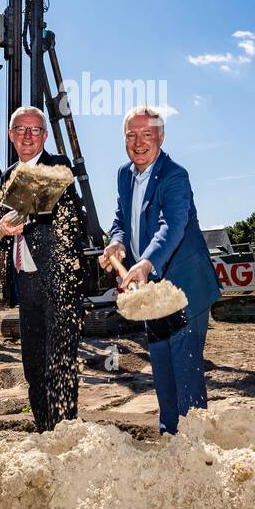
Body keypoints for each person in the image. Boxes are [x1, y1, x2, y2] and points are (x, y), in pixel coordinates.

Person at [101, 106, 220, 435]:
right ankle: (170, 437)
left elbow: (173, 226)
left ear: (161, 137)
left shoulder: (174, 175)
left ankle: (197, 447)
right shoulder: (125, 175)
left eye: (147, 135)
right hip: (150, 290)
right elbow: (120, 220)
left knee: (185, 367)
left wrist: (147, 262)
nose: (139, 143)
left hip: (184, 290)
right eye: (131, 135)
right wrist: (117, 243)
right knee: (162, 366)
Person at [0, 106, 82, 432]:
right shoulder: (8, 177)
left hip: (59, 280)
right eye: (20, 129)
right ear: (10, 135)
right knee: (34, 367)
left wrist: (21, 220)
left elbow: (47, 204)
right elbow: (9, 232)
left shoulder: (58, 165)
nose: (28, 136)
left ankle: (67, 435)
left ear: (45, 136)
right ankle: (46, 431)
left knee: (59, 364)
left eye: (35, 130)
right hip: (27, 284)